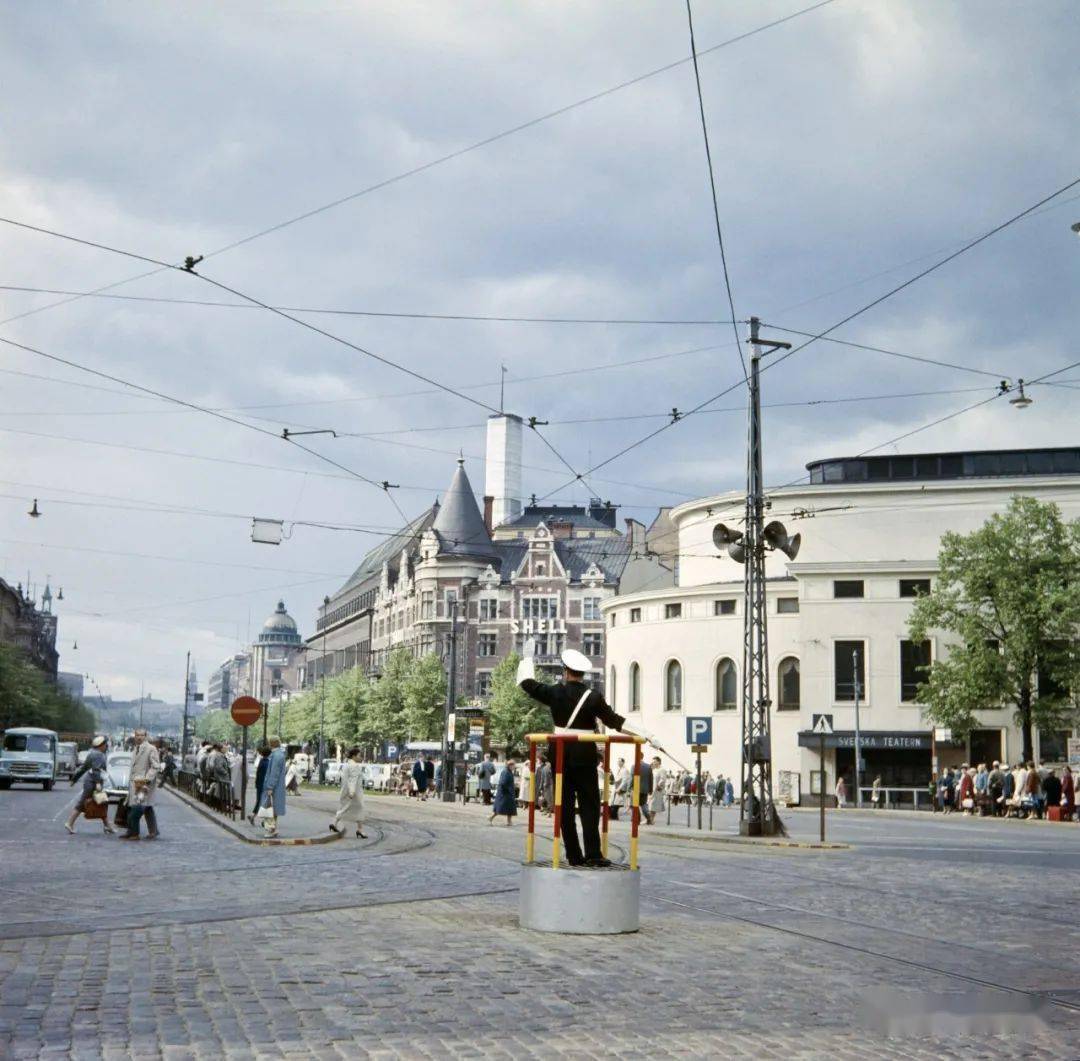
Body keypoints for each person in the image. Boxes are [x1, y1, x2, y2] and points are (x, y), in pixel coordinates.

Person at [517, 647, 631, 868]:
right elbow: (614, 721)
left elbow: (526, 683)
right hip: (585, 756)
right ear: (582, 674)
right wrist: (646, 735)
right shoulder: (594, 697)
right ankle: (594, 854)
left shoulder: (554, 693)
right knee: (590, 806)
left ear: (565, 671)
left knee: (564, 807)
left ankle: (573, 855)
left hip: (560, 756)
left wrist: (528, 658)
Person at [65, 736, 116, 835]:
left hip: (90, 781)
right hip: (93, 782)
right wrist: (97, 783)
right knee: (84, 803)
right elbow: (97, 770)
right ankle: (69, 823)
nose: (106, 747)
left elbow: (84, 768)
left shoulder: (92, 754)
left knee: (101, 803)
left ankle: (107, 826)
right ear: (101, 746)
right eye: (105, 745)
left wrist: (74, 779)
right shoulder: (99, 755)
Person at [121, 728, 160, 841]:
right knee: (147, 807)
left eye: (141, 735)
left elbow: (156, 766)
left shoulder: (151, 748)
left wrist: (146, 780)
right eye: (137, 735)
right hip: (135, 783)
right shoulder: (135, 748)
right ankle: (153, 831)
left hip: (143, 784)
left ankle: (134, 833)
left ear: (146, 736)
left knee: (136, 808)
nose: (139, 737)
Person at [329, 747, 368, 838]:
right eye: (359, 755)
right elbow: (353, 780)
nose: (361, 757)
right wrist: (352, 792)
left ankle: (334, 822)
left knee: (345, 808)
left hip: (347, 790)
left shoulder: (347, 765)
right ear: (354, 756)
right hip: (354, 793)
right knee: (360, 808)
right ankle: (359, 830)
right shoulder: (354, 766)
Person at [261, 738, 287, 837]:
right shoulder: (279, 754)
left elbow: (274, 773)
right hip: (277, 786)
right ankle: (273, 828)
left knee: (269, 808)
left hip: (273, 787)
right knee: (273, 809)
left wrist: (270, 787)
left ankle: (271, 829)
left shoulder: (276, 756)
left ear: (270, 744)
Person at [490, 757, 517, 826]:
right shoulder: (506, 772)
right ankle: (491, 817)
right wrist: (508, 790)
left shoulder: (508, 771)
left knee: (508, 808)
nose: (514, 767)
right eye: (514, 765)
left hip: (507, 793)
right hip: (505, 793)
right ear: (510, 765)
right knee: (501, 807)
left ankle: (509, 821)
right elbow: (503, 783)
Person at [250, 745, 271, 824]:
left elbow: (258, 773)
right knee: (265, 802)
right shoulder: (267, 763)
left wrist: (256, 783)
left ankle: (254, 816)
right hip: (264, 785)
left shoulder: (261, 761)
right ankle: (264, 820)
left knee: (260, 801)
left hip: (260, 784)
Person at [639, 755, 655, 825]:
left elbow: (631, 779)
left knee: (634, 805)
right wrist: (650, 790)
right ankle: (649, 819)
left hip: (636, 789)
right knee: (643, 804)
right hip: (645, 789)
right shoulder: (648, 766)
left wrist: (629, 788)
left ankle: (637, 819)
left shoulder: (634, 765)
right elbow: (651, 779)